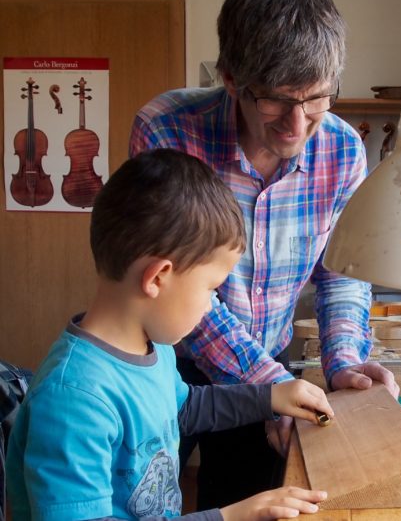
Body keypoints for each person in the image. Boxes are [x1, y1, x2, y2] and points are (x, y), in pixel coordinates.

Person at [129, 0, 399, 510]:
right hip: (162, 360)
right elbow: (180, 285)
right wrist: (272, 388)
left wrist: (341, 362)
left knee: (248, 503)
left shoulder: (342, 151)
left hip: (266, 361)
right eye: (275, 98)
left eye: (317, 97)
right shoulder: (167, 129)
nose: (297, 126)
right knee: (143, 501)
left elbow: (341, 270)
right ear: (231, 78)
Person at [6, 149, 333, 521]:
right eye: (211, 289)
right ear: (158, 277)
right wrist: (227, 517)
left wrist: (270, 397)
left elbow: (182, 408)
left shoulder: (153, 347)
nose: (211, 306)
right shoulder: (74, 399)